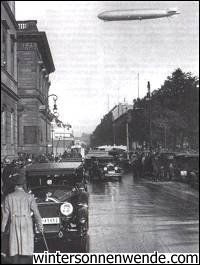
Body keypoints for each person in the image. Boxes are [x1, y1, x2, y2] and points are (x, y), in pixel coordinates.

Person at [1, 172, 43, 264]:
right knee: (26, 249)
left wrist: (3, 230)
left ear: (15, 185)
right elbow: (36, 213)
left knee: (15, 249)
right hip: (26, 224)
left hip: (14, 223)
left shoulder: (9, 197)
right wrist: (40, 226)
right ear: (23, 185)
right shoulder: (29, 197)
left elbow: (5, 216)